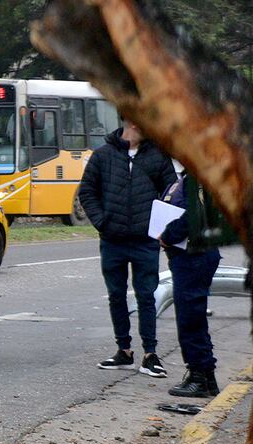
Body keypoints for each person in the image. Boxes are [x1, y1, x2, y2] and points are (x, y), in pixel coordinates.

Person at [78, 119, 177, 377]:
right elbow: (87, 191)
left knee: (147, 295)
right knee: (116, 295)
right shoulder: (103, 155)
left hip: (145, 240)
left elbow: (172, 192)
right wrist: (102, 222)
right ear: (130, 120)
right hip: (113, 240)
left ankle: (150, 355)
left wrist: (160, 228)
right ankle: (124, 351)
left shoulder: (157, 155)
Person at [158, 177, 222, 397]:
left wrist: (167, 236)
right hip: (190, 255)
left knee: (190, 319)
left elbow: (192, 215)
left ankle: (199, 377)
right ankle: (207, 376)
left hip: (194, 255)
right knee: (191, 317)